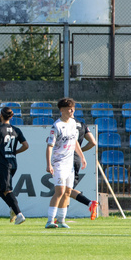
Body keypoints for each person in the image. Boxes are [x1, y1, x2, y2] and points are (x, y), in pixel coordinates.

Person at [45, 98, 86, 229]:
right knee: (60, 191)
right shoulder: (56, 126)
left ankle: (61, 220)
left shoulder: (73, 123)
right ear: (61, 110)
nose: (72, 110)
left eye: (73, 108)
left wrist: (82, 157)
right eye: (69, 108)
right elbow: (50, 146)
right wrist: (49, 164)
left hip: (70, 163)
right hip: (59, 163)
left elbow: (74, 143)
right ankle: (50, 221)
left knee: (68, 192)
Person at [0, 107, 29, 224]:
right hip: (13, 163)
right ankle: (12, 208)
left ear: (1, 116)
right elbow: (26, 145)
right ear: (11, 117)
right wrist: (15, 152)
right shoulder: (16, 130)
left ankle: (19, 214)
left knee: (7, 190)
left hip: (4, 164)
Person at [69, 115, 99, 220]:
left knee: (64, 190)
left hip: (67, 158)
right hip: (76, 159)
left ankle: (89, 203)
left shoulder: (65, 124)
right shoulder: (82, 124)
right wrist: (79, 151)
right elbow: (93, 142)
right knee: (66, 190)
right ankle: (59, 217)